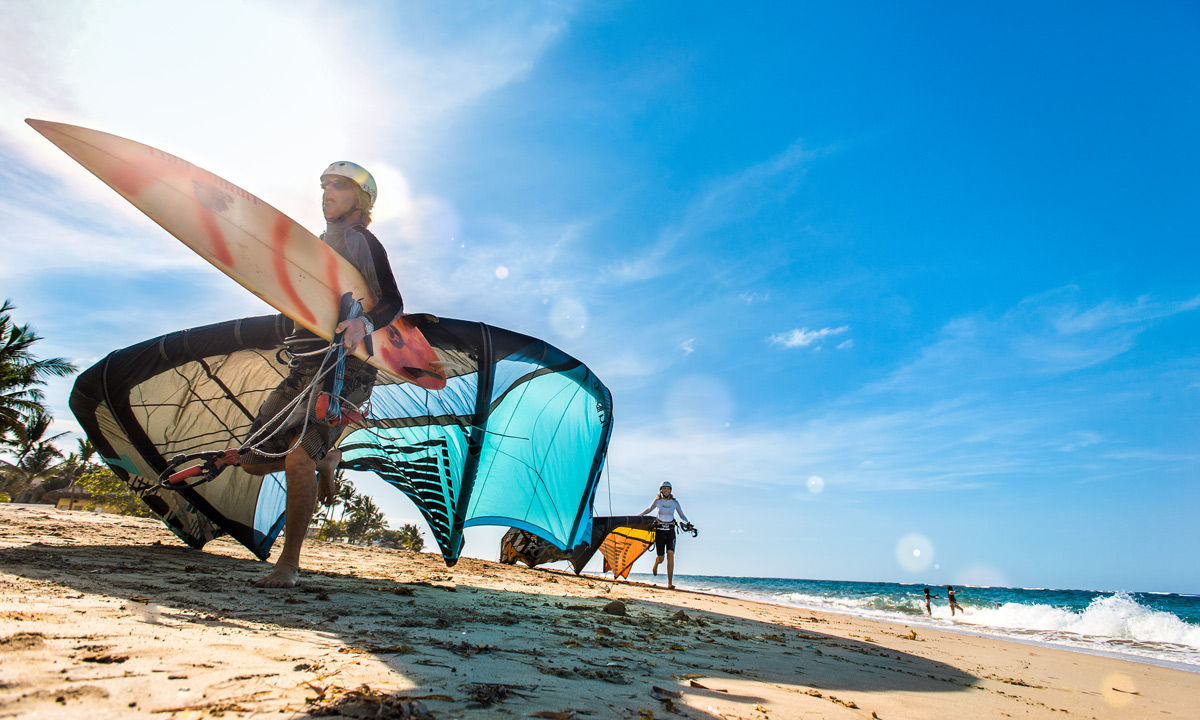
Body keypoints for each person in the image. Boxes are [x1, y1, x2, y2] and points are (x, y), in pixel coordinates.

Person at [240, 161, 403, 588]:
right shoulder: (315, 243)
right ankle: (328, 459)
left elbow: (393, 302)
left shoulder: (360, 239)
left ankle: (288, 565)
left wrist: (362, 323)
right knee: (253, 461)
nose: (327, 191)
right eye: (325, 184)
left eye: (339, 186)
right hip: (305, 364)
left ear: (360, 199)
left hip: (346, 370)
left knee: (297, 459)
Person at [639, 481, 693, 590]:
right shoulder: (658, 501)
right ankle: (656, 563)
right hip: (659, 530)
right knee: (661, 558)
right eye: (664, 489)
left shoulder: (675, 502)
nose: (666, 490)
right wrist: (638, 516)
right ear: (661, 490)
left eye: (668, 489)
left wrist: (687, 522)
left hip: (670, 530)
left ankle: (670, 583)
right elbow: (649, 509)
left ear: (670, 490)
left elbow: (682, 515)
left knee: (670, 554)